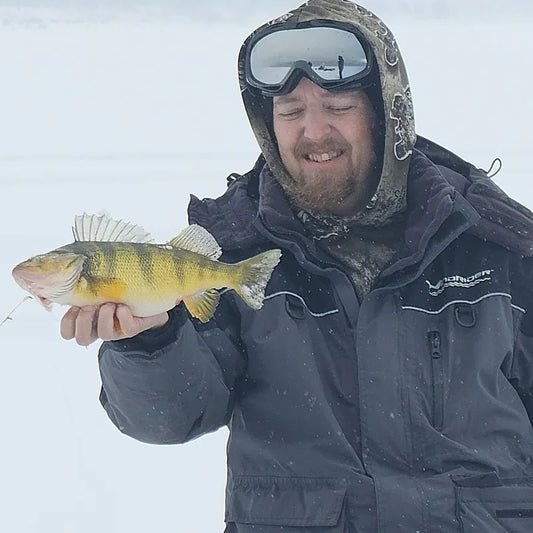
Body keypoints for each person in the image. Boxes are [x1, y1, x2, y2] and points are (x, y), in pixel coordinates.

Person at [61, 0, 533, 531]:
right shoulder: (230, 248)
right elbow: (169, 418)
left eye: (337, 106)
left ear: (387, 111)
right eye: (290, 112)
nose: (313, 132)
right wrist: (146, 342)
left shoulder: (498, 244)